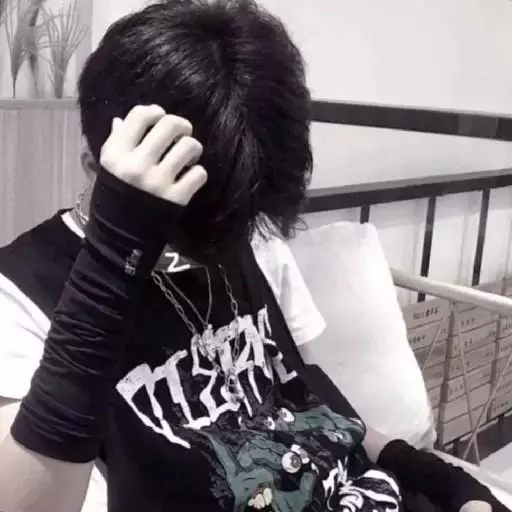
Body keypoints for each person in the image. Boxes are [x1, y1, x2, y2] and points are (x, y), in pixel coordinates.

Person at [0, 1, 508, 511]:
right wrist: (112, 259)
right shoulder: (21, 292)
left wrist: (442, 479)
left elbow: (315, 406)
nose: (233, 243)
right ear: (97, 165)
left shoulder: (247, 233)